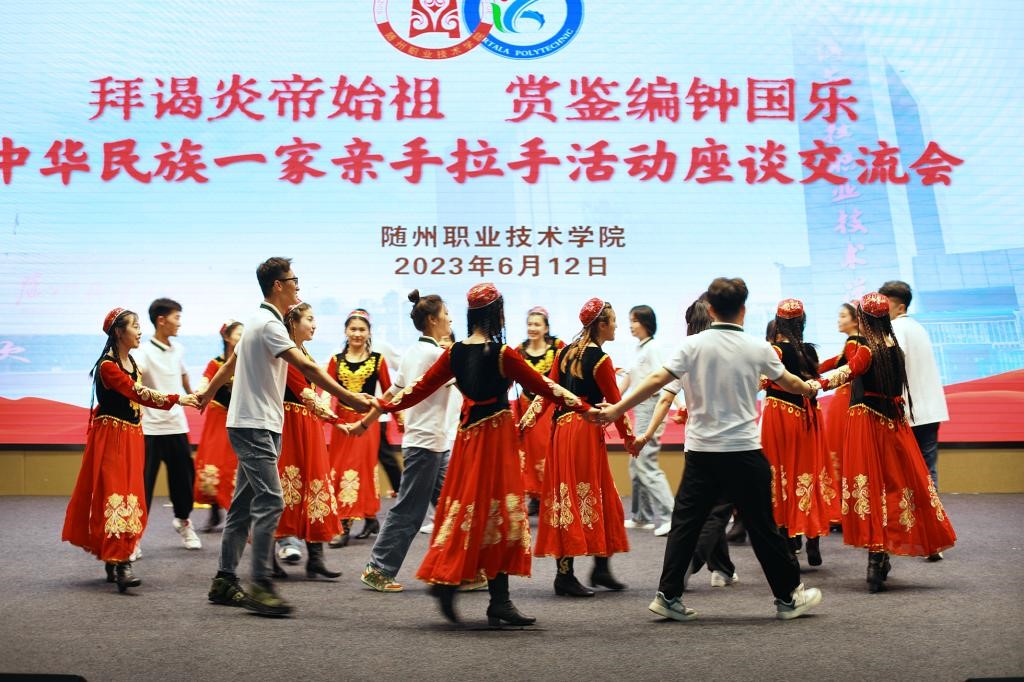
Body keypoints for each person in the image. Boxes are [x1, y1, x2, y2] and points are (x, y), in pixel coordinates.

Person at [597, 277, 823, 622]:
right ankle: (788, 597)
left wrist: (617, 409)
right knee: (763, 527)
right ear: (743, 310)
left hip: (701, 452)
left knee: (685, 525)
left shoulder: (691, 346)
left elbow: (657, 381)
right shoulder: (757, 347)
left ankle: (668, 595)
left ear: (712, 309)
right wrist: (809, 388)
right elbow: (789, 382)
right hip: (743, 450)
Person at [375, 283, 592, 627]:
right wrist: (584, 407)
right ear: (496, 314)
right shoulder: (503, 353)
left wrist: (383, 405)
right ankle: (488, 597)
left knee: (470, 510)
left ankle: (482, 594)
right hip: (496, 439)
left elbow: (418, 389)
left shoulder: (455, 352)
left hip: (467, 439)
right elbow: (545, 386)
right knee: (500, 513)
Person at [196, 257, 371, 617]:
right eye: (294, 281)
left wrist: (207, 393)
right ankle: (261, 585)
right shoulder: (269, 324)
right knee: (272, 501)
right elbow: (305, 367)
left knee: (243, 506)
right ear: (278, 285)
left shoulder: (257, 323)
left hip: (259, 423)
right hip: (255, 425)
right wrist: (350, 398)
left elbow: (230, 366)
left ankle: (224, 580)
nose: (298, 287)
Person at [813, 292, 956, 592]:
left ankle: (876, 556)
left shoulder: (867, 348)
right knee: (895, 484)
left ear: (864, 319)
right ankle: (882, 555)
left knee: (870, 484)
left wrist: (815, 384)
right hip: (894, 423)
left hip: (866, 424)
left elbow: (847, 371)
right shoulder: (893, 347)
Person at [62, 308, 198, 592]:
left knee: (131, 495)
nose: (140, 331)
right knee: (115, 494)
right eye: (135, 326)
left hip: (132, 436)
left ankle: (116, 556)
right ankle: (122, 561)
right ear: (119, 332)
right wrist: (178, 399)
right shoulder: (108, 366)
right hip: (111, 438)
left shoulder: (132, 361)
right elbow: (138, 393)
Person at [527, 298, 637, 597]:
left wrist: (527, 420)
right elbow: (616, 404)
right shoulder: (600, 360)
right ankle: (567, 576)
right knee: (588, 496)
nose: (616, 326)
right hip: (585, 432)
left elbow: (547, 392)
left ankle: (597, 568)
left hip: (562, 432)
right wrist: (630, 440)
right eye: (613, 321)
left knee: (571, 497)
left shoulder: (564, 352)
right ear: (601, 325)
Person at [637, 297, 738, 589]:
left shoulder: (686, 351)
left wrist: (647, 434)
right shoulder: (730, 349)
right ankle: (690, 564)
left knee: (707, 509)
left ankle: (723, 568)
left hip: (696, 445)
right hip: (730, 443)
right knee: (719, 510)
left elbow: (665, 397)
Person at [358, 291, 455, 592]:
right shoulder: (435, 356)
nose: (450, 319)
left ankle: (462, 571)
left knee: (450, 507)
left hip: (435, 443)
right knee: (409, 511)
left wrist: (363, 423)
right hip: (425, 444)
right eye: (446, 314)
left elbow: (391, 393)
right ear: (432, 320)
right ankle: (378, 568)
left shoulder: (415, 351)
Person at [760, 299, 838, 567]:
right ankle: (813, 540)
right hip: (808, 416)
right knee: (808, 471)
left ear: (778, 323)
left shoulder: (774, 351)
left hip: (780, 416)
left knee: (781, 471)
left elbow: (761, 381)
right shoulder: (809, 350)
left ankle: (788, 539)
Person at [878, 282, 949, 558]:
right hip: (931, 410)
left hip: (908, 411)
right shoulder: (919, 328)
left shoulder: (896, 328)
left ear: (900, 306)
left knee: (902, 474)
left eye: (885, 303)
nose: (880, 308)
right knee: (928, 473)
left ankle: (907, 535)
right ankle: (935, 538)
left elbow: (892, 366)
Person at [274, 303, 343, 580]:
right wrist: (337, 419)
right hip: (290, 427)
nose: (314, 325)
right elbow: (305, 393)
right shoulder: (287, 353)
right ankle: (268, 559)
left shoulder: (304, 353)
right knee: (285, 486)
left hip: (308, 427)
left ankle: (316, 557)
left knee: (314, 484)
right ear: (293, 322)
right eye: (310, 319)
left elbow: (318, 389)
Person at [134, 298, 200, 553]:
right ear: (161, 320)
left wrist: (194, 396)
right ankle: (133, 537)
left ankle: (183, 522)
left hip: (177, 427)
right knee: (143, 486)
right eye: (176, 318)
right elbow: (135, 383)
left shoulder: (178, 349)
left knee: (184, 482)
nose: (179, 323)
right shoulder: (142, 352)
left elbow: (183, 375)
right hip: (150, 430)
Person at [325, 309, 392, 547]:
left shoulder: (378, 360)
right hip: (342, 425)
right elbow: (327, 392)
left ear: (369, 332)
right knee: (340, 469)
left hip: (366, 424)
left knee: (356, 469)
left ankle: (343, 526)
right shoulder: (335, 361)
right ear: (345, 331)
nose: (357, 333)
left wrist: (400, 418)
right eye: (353, 329)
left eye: (362, 329)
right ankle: (370, 519)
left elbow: (389, 393)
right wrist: (327, 416)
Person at [619, 304, 675, 536]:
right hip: (640, 407)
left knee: (645, 463)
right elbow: (629, 379)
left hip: (651, 406)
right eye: (630, 321)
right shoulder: (639, 349)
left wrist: (677, 405)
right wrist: (614, 402)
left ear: (646, 323)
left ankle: (671, 516)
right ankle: (641, 516)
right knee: (636, 463)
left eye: (635, 320)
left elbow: (667, 379)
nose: (631, 325)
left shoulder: (654, 348)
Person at [193, 321, 243, 533]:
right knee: (213, 463)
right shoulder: (216, 363)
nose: (242, 337)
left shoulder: (248, 362)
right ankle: (215, 510)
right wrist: (201, 391)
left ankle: (236, 512)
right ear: (227, 338)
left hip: (240, 419)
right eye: (238, 334)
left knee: (234, 464)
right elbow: (205, 381)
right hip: (219, 418)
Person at [514, 306, 564, 516]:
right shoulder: (519, 350)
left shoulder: (557, 348)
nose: (532, 328)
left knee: (547, 451)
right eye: (530, 324)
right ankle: (535, 498)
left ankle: (552, 497)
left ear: (546, 328)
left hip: (548, 409)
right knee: (529, 453)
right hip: (526, 407)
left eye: (537, 324)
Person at [821, 302, 859, 532]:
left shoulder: (855, 343)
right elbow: (835, 362)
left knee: (838, 451)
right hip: (844, 402)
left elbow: (846, 369)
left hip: (845, 402)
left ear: (856, 320)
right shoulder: (854, 343)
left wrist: (815, 379)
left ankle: (841, 512)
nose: (839, 320)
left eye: (843, 316)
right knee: (842, 453)